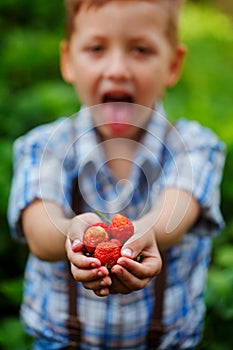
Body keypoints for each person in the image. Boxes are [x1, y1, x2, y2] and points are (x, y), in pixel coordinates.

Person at [8, 0, 226, 349]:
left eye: (140, 50)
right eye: (96, 48)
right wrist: (74, 232)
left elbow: (175, 213)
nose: (118, 69)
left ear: (172, 65)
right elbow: (39, 232)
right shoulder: (44, 146)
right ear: (68, 61)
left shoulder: (194, 146)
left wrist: (145, 231)